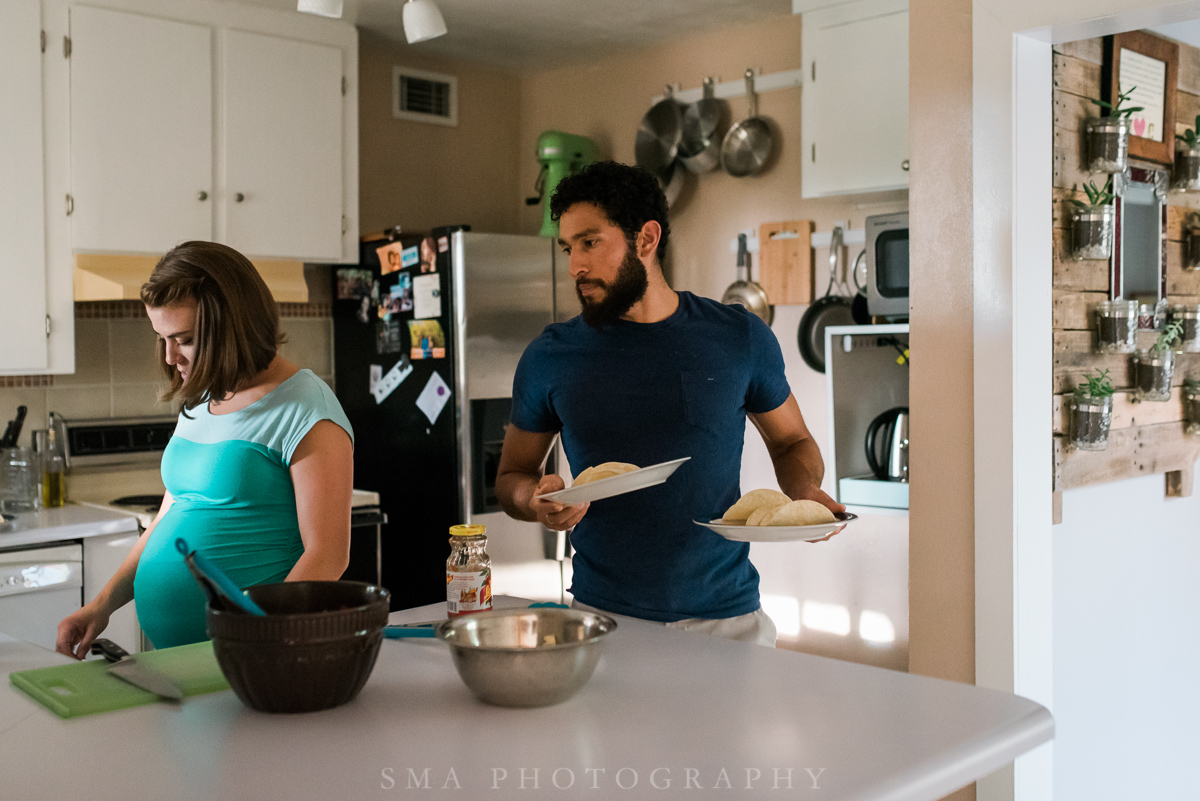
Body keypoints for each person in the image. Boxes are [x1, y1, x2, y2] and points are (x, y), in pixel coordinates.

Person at [495, 161, 843, 647]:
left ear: (645, 238)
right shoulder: (550, 356)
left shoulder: (739, 337)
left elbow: (792, 441)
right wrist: (533, 501)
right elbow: (512, 477)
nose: (575, 264)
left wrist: (805, 490)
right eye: (568, 247)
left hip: (729, 622)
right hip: (602, 621)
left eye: (590, 242)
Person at [56, 241, 355, 656]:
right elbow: (167, 517)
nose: (170, 355)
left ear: (234, 326)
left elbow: (328, 556)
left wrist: (264, 640)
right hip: (175, 658)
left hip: (248, 656)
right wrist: (101, 607)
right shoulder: (202, 399)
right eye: (162, 337)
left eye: (185, 339)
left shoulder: (306, 408)